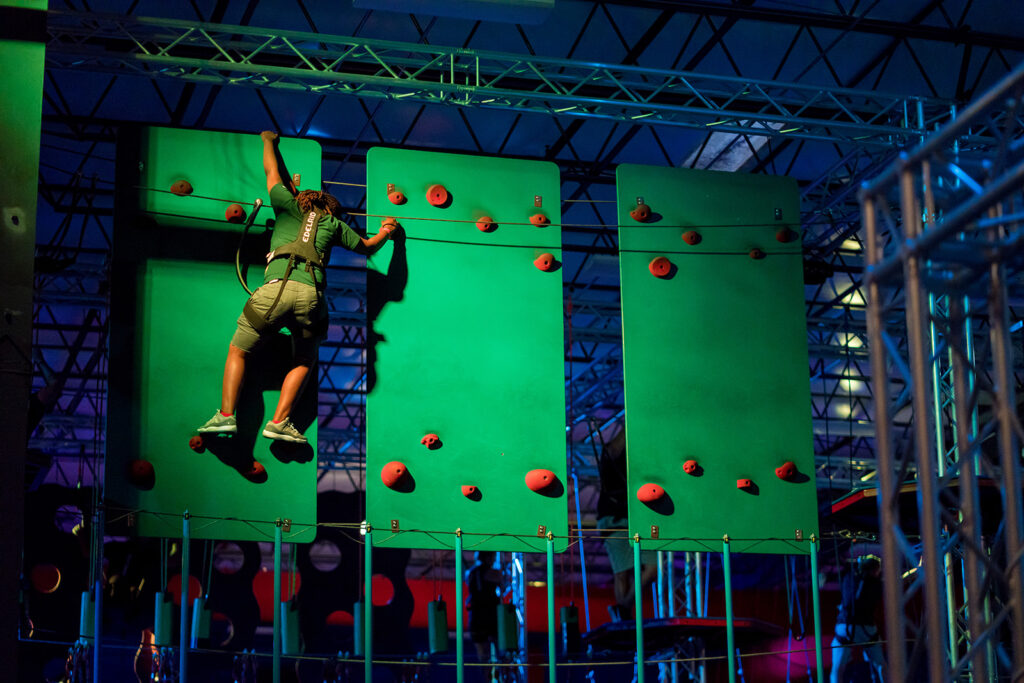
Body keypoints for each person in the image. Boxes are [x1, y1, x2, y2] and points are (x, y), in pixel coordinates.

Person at [197, 131, 395, 443]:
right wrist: (387, 230)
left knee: (238, 351)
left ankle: (225, 416)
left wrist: (268, 142)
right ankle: (279, 422)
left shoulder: (287, 206)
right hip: (311, 298)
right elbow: (369, 247)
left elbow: (273, 172)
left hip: (274, 292)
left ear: (302, 199)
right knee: (303, 359)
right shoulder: (334, 224)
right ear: (330, 209)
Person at [596, 426, 656, 621]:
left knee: (653, 568)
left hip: (637, 519)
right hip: (613, 518)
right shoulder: (612, 455)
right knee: (622, 573)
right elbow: (612, 449)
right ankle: (624, 613)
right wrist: (632, 425)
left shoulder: (642, 460)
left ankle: (623, 608)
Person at [830, 554, 885, 683]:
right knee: (881, 665)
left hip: (846, 626)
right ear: (875, 570)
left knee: (837, 669)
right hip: (866, 628)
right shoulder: (877, 584)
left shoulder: (848, 577)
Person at [466, 551, 502, 676]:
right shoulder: (490, 573)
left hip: (477, 618)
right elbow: (502, 582)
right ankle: (497, 675)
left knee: (483, 656)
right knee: (497, 652)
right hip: (489, 617)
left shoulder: (471, 573)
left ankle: (489, 676)